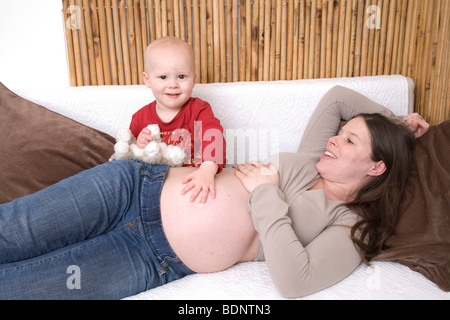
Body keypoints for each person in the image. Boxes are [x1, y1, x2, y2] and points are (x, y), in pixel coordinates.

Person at [0, 86, 429, 299]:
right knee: (12, 230)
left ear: (377, 168)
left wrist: (266, 194)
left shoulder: (352, 223)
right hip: (132, 187)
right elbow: (337, 100)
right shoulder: (314, 157)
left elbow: (296, 281)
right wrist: (396, 127)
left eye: (350, 142)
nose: (335, 140)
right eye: (341, 134)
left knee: (24, 288)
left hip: (151, 256)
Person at [129, 36, 226, 203]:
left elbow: (213, 137)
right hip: (157, 191)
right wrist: (139, 147)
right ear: (147, 80)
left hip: (194, 183)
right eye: (163, 77)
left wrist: (207, 170)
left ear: (193, 79)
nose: (173, 84)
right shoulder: (140, 118)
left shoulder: (199, 110)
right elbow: (131, 159)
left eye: (181, 77)